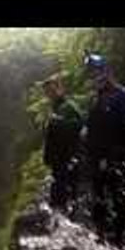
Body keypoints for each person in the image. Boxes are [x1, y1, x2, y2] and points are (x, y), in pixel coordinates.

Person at [83, 52, 125, 246]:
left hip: (116, 156)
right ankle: (100, 237)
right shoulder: (95, 99)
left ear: (108, 71)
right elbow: (90, 126)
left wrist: (123, 152)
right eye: (92, 73)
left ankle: (119, 240)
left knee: (118, 198)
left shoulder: (122, 96)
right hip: (96, 157)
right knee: (98, 199)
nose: (95, 77)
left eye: (98, 72)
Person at [41, 75, 84, 213]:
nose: (50, 94)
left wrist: (57, 122)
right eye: (48, 92)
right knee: (58, 190)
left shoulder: (69, 106)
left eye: (53, 90)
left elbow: (80, 125)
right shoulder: (56, 107)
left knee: (65, 190)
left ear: (61, 89)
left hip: (67, 157)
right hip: (57, 158)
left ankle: (67, 218)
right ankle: (58, 218)